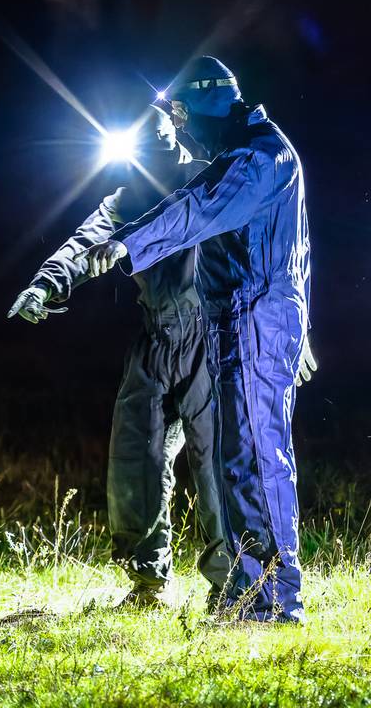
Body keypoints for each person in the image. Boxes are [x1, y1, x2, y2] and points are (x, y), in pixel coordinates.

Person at [84, 56, 315, 622]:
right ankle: (247, 591)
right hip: (244, 321)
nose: (181, 127)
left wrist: (127, 244)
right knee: (240, 458)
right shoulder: (247, 153)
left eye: (184, 113)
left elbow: (195, 207)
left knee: (254, 460)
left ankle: (270, 601)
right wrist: (301, 326)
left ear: (208, 106)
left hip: (253, 321)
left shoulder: (257, 158)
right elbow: (295, 251)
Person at [9, 105, 230, 607]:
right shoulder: (128, 195)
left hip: (208, 337)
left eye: (156, 133)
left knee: (216, 459)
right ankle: (148, 582)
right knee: (137, 456)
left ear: (175, 126)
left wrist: (285, 327)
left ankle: (234, 583)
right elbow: (85, 242)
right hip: (155, 337)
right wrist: (44, 286)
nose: (150, 146)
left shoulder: (208, 178)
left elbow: (261, 251)